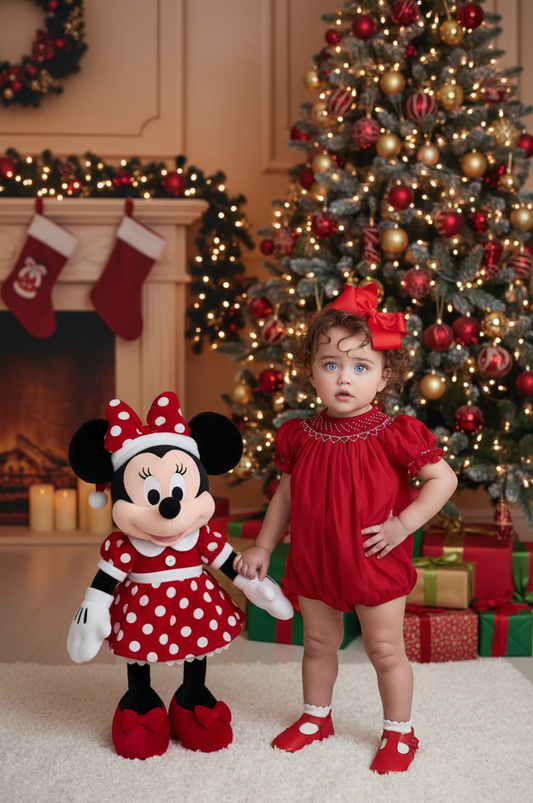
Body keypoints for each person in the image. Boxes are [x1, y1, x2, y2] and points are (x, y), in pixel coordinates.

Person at [233, 283, 458, 774]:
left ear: (382, 378)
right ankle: (317, 717)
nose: (344, 378)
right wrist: (264, 545)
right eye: (330, 364)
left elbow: (443, 479)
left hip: (373, 558)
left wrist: (403, 524)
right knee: (317, 643)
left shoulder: (394, 433)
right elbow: (287, 496)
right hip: (315, 558)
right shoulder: (300, 434)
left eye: (361, 367)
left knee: (384, 648)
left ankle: (400, 730)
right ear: (311, 370)